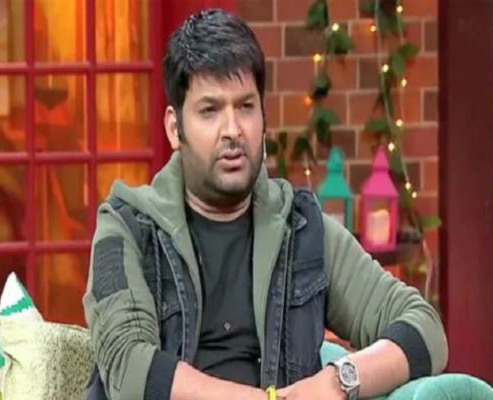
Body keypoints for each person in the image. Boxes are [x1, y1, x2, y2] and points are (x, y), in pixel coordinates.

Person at [83, 9, 448, 400]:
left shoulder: (303, 230)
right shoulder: (127, 228)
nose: (233, 130)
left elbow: (425, 328)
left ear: (263, 117)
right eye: (210, 111)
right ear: (175, 128)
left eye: (245, 107)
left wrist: (338, 381)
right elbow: (128, 367)